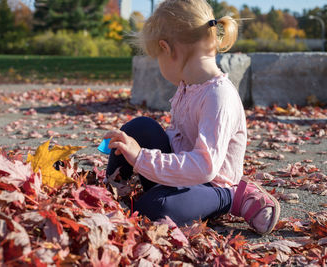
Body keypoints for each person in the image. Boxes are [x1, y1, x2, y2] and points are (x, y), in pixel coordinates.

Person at [103, 0, 280, 234]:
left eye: (158, 58)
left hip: (208, 185)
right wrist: (135, 153)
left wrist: (142, 159)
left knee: (155, 207)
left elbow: (204, 167)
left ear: (167, 49)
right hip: (181, 174)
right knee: (141, 127)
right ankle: (112, 187)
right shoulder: (188, 86)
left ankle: (235, 198)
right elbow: (176, 139)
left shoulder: (218, 96)